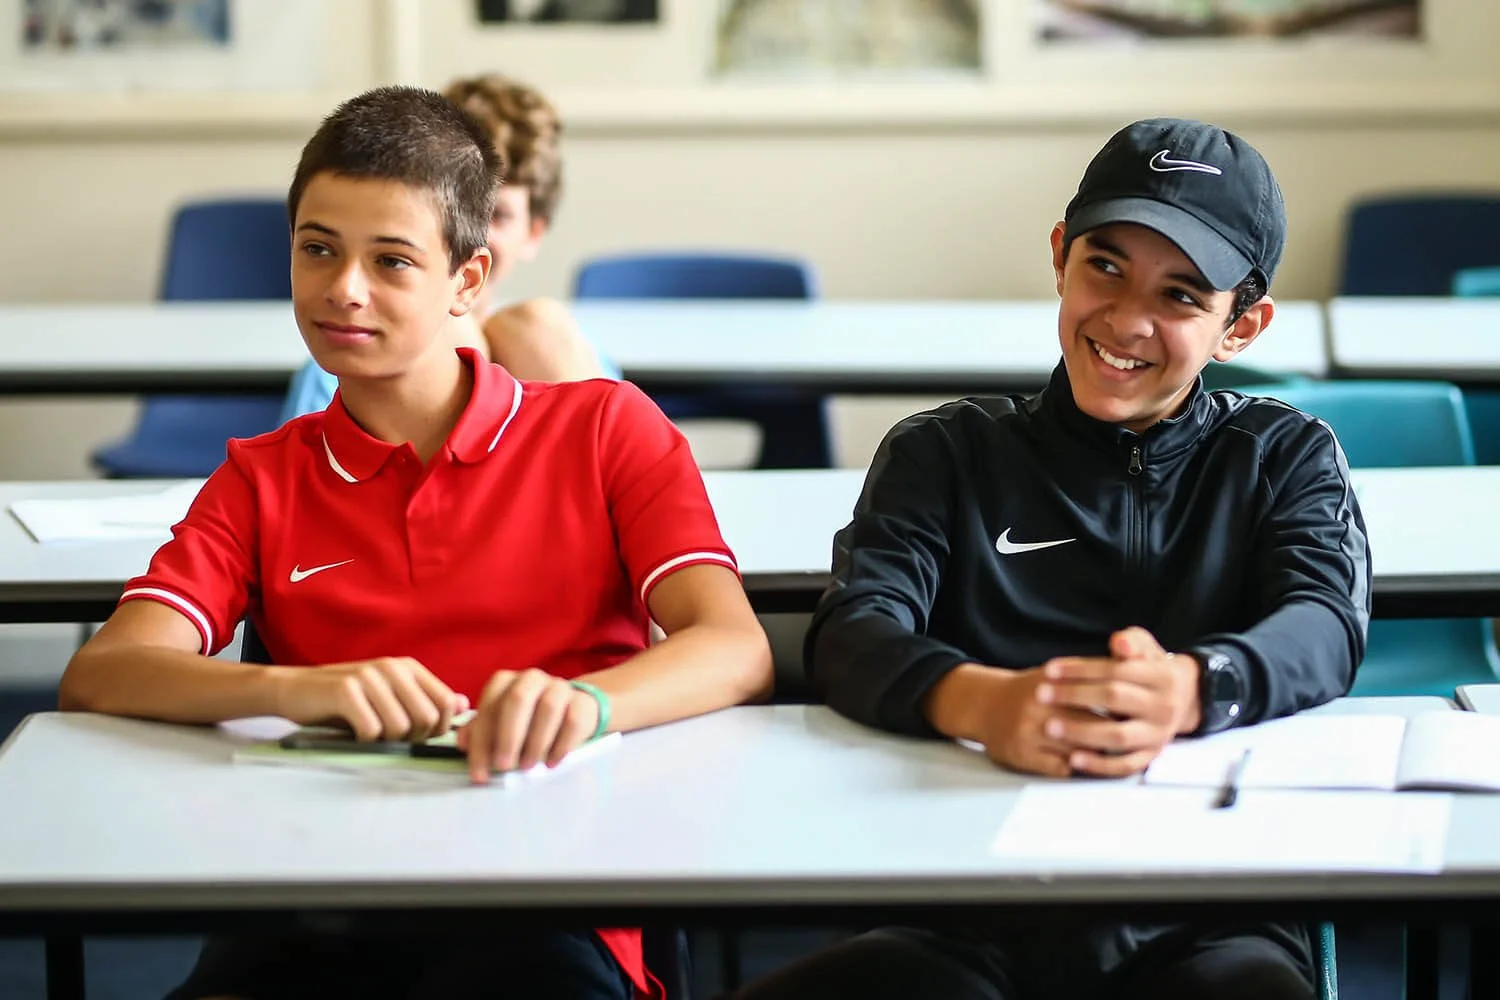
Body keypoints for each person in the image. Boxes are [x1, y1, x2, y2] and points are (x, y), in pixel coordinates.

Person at [60, 84, 773, 1000]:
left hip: (546, 885)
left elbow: (735, 646)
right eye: (317, 249)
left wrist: (586, 705)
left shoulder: (605, 428)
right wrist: (298, 687)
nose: (342, 288)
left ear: (467, 282)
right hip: (320, 883)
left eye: (392, 261)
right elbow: (106, 670)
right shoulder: (262, 475)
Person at [728, 118, 1370, 999]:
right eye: (1105, 266)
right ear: (1061, 255)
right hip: (965, 896)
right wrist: (987, 703)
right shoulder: (946, 451)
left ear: (1242, 326)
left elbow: (1327, 625)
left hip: (1212, 902)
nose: (1128, 319)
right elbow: (853, 629)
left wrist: (1194, 686)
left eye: (1181, 296)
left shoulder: (1283, 454)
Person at [280, 72, 613, 422]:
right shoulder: (350, 345)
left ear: (533, 232)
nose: (472, 233)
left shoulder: (565, 349)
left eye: (497, 216)